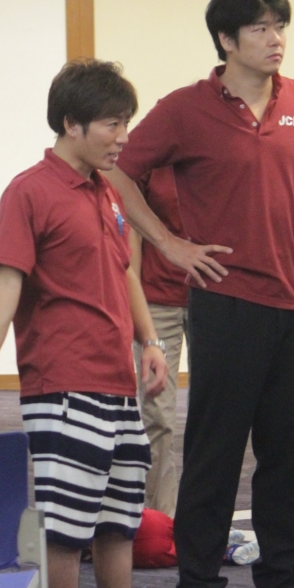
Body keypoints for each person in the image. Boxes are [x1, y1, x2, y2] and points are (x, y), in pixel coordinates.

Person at [107, 0, 294, 588]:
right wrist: (169, 242)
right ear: (226, 39)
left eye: (281, 26)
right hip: (225, 303)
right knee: (214, 455)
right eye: (260, 28)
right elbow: (116, 171)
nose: (276, 39)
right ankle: (199, 584)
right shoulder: (185, 108)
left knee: (286, 454)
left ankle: (283, 583)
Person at [0, 59, 168, 588]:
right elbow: (6, 281)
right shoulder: (29, 191)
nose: (123, 137)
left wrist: (150, 341)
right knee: (66, 532)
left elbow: (124, 272)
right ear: (71, 123)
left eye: (126, 123)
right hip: (63, 387)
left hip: (117, 384)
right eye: (112, 124)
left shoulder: (106, 192)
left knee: (118, 526)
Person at [130, 167, 190, 517]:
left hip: (214, 296)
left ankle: (200, 518)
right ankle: (161, 518)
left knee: (218, 415)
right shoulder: (150, 160)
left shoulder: (222, 148)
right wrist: (136, 314)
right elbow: (132, 238)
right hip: (157, 301)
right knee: (158, 414)